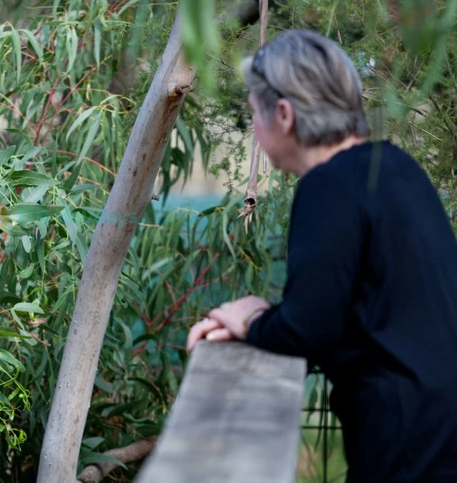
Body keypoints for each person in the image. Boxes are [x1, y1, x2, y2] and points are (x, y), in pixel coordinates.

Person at [185, 29, 457, 483]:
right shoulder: (394, 167)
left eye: (255, 112)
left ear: (285, 114)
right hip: (440, 429)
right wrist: (269, 317)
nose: (254, 128)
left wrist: (250, 319)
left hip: (408, 446)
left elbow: (305, 330)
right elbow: (349, 314)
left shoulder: (329, 186)